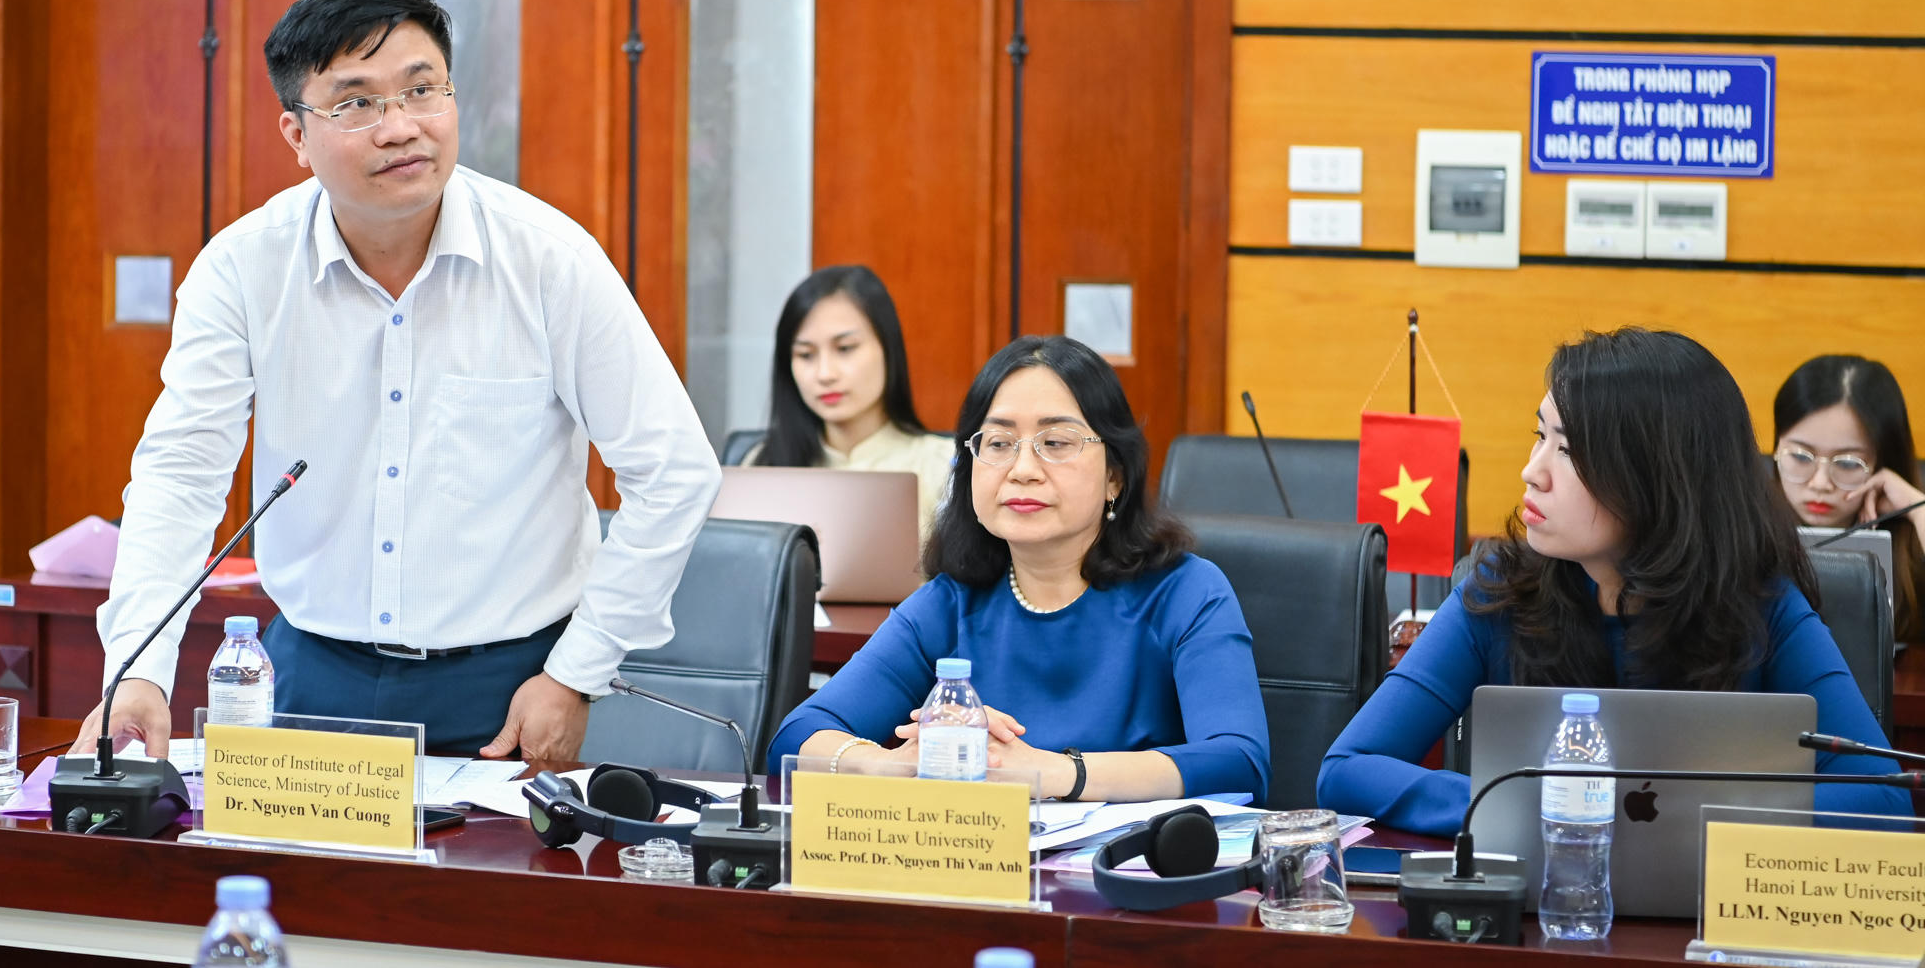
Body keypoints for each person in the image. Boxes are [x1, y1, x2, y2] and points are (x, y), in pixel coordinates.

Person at [74, 0, 720, 759]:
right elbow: (181, 475)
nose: (401, 128)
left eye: (422, 90)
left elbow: (675, 471)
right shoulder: (242, 270)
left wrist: (576, 672)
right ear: (296, 136)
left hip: (513, 687)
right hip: (309, 673)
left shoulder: (549, 260)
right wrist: (138, 668)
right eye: (356, 103)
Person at [1317, 327, 1906, 834]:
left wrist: (1680, 819)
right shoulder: (1500, 589)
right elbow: (1347, 768)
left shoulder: (1761, 604)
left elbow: (1883, 798)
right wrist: (1526, 805)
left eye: (1569, 450)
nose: (1532, 471)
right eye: (1540, 437)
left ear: (1658, 478)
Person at [766, 335, 1271, 802]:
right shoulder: (950, 603)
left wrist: (1056, 772)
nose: (1023, 470)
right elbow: (796, 736)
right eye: (999, 443)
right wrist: (888, 764)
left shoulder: (1185, 593)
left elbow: (1238, 761)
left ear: (1114, 477)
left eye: (1056, 443)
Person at [747, 265, 952, 541]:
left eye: (845, 349)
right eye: (805, 355)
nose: (825, 374)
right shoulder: (762, 465)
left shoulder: (944, 465)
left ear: (887, 348)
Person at [1773, 355, 1925, 642]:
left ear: (1883, 464)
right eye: (1801, 456)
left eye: (1847, 463)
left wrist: (1917, 509)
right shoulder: (1742, 527)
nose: (1820, 483)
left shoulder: (1913, 544)